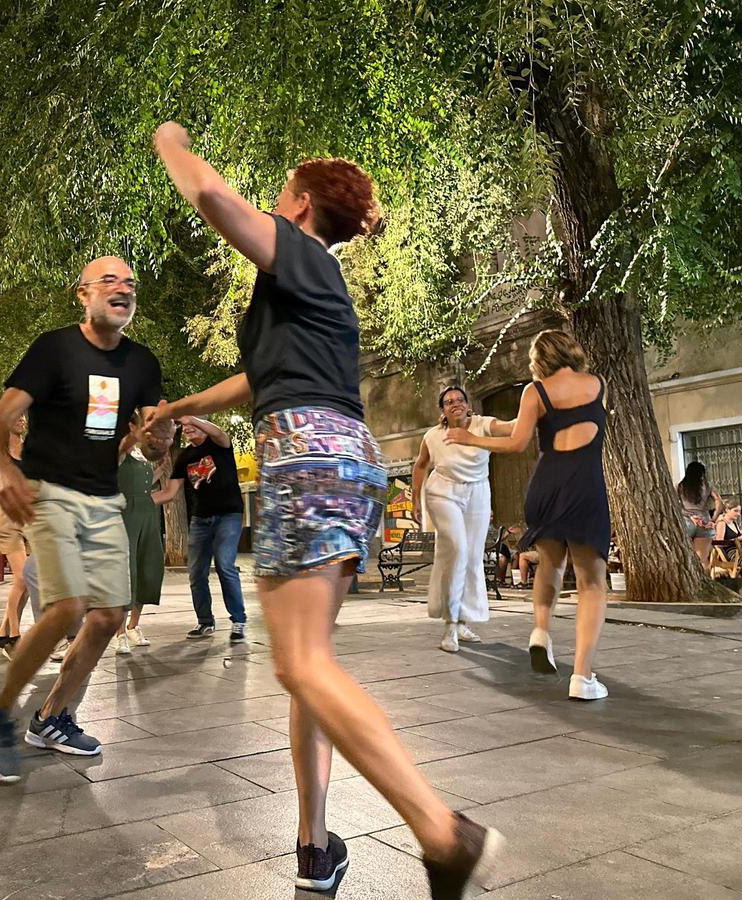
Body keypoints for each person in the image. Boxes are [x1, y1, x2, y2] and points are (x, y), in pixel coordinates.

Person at [149, 121, 501, 898]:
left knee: (300, 662)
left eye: (279, 195)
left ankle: (443, 832)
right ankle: (314, 845)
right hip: (337, 458)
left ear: (300, 205)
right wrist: (176, 405)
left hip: (306, 457)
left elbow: (209, 194)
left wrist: (169, 138)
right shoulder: (310, 290)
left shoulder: (299, 252)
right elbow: (253, 381)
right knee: (311, 666)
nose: (271, 205)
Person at [0, 255, 174, 783]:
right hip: (47, 491)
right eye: (109, 280)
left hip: (104, 499)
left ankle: (53, 717)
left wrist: (158, 439)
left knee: (107, 616)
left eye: (130, 281)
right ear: (82, 294)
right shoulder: (55, 349)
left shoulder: (142, 364)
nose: (122, 288)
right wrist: (5, 470)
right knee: (68, 606)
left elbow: (149, 444)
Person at [447, 329, 611, 702]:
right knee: (591, 584)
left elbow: (518, 441)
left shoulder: (534, 393)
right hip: (585, 486)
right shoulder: (599, 385)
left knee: (550, 563)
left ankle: (540, 632)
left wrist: (472, 438)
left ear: (540, 360)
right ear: (571, 350)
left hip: (546, 486)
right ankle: (583, 677)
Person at [411, 385, 514, 653]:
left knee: (471, 557)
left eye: (459, 400)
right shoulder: (433, 436)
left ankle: (463, 622)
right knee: (457, 549)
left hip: (478, 492)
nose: (454, 403)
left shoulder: (483, 425)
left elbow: (513, 428)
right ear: (443, 410)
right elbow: (420, 465)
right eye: (448, 402)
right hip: (443, 491)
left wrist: (536, 402)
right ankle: (450, 626)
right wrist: (414, 500)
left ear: (468, 405)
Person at [153, 415, 247, 641]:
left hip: (228, 516)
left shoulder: (218, 444)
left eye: (192, 425)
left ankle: (238, 621)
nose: (187, 429)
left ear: (202, 424)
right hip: (200, 520)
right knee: (196, 572)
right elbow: (169, 492)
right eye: (184, 426)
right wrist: (136, 500)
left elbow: (219, 432)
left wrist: (190, 416)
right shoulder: (185, 456)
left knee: (225, 565)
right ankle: (205, 622)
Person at [111, 412, 171, 654]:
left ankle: (134, 626)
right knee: (128, 571)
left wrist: (161, 469)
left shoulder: (141, 453)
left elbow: (144, 482)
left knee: (149, 567)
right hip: (127, 513)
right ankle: (119, 633)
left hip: (147, 511)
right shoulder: (121, 449)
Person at [0, 414, 32, 659]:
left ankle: (1, 636)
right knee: (22, 579)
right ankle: (14, 638)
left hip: (30, 516)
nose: (22, 419)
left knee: (29, 582)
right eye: (17, 416)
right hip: (8, 518)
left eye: (24, 415)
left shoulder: (30, 449)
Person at [678, 461, 723, 570]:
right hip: (704, 522)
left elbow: (674, 504)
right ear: (702, 474)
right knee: (702, 560)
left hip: (686, 522)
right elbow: (719, 502)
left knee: (685, 559)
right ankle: (704, 584)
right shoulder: (707, 487)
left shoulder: (680, 486)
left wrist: (690, 516)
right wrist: (713, 519)